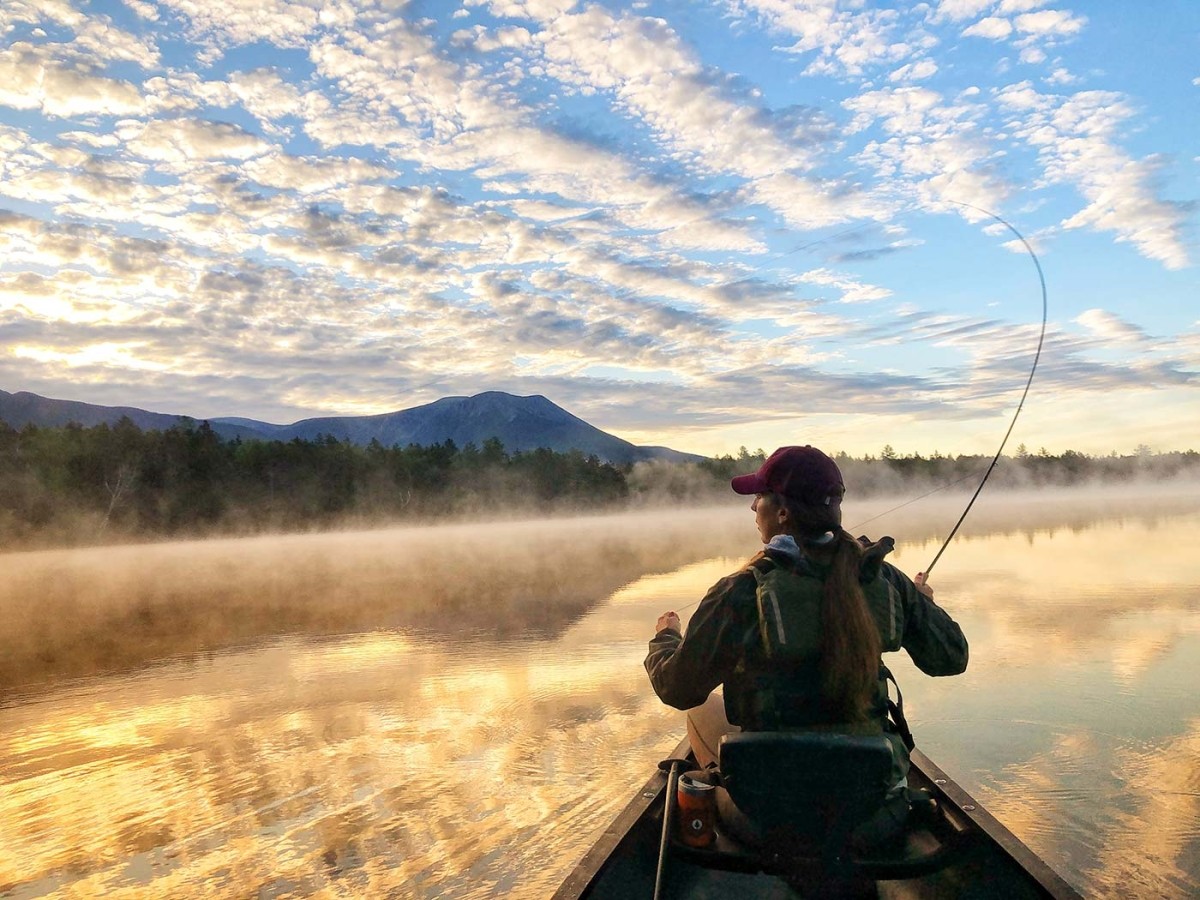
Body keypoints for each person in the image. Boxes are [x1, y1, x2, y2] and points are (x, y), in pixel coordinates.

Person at [645, 445, 968, 798]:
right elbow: (950, 658)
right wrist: (921, 601)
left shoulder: (740, 590)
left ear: (782, 512)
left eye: (759, 496)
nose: (753, 506)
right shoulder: (884, 579)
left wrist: (666, 638)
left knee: (701, 708)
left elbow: (677, 690)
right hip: (872, 801)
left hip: (770, 804)